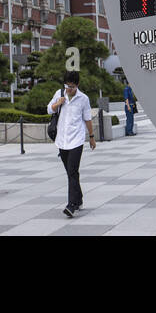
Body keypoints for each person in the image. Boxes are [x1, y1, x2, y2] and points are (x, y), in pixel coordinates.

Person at [47, 70, 95, 218]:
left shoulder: (83, 99)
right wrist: (57, 104)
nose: (69, 89)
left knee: (72, 171)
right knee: (71, 172)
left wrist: (91, 137)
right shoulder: (59, 93)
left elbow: (87, 118)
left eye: (72, 86)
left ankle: (71, 205)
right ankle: (79, 198)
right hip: (62, 140)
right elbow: (49, 110)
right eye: (67, 85)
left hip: (76, 140)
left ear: (77, 85)